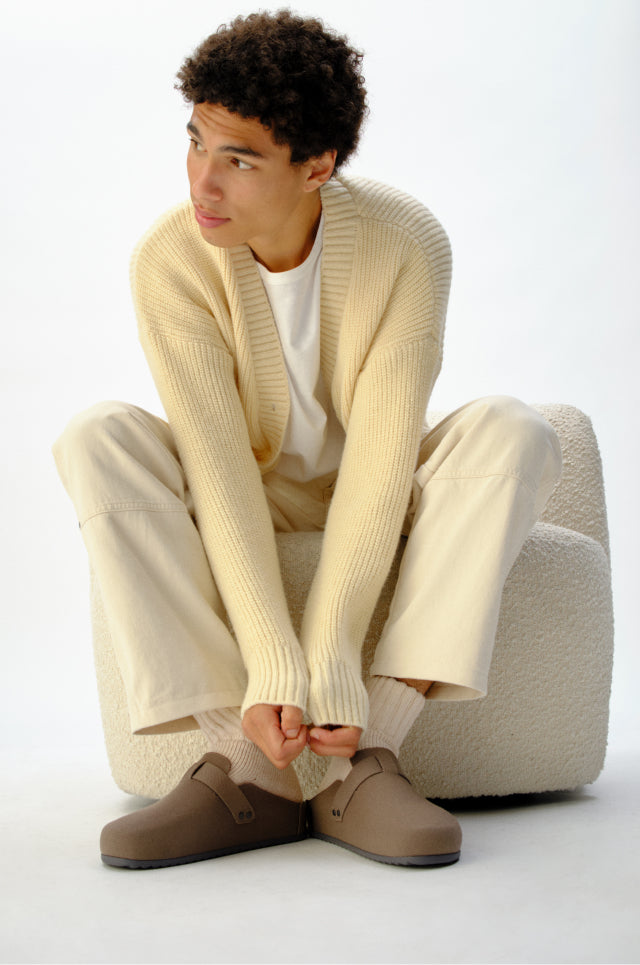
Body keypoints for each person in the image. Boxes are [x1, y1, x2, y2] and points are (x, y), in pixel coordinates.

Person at [53, 9, 562, 869]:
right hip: (241, 499)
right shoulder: (168, 260)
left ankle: (361, 763)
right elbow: (215, 469)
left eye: (239, 159)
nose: (200, 185)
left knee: (516, 430)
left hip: (382, 492)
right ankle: (246, 769)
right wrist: (273, 666)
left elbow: (382, 458)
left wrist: (328, 658)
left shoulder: (408, 243)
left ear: (318, 165)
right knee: (95, 436)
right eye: (195, 143)